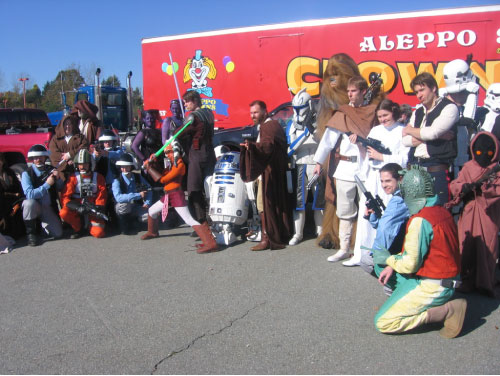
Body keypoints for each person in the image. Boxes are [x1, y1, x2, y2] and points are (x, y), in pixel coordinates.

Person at [373, 166, 466, 339]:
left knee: (383, 322)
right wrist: (390, 265)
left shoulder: (420, 219)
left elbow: (409, 264)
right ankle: (404, 302)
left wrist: (389, 259)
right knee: (382, 269)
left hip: (433, 285)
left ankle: (444, 311)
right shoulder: (441, 211)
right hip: (446, 279)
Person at [313, 76, 377, 265]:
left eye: (354, 91)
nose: (350, 94)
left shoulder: (373, 112)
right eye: (348, 91)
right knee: (345, 210)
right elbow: (328, 141)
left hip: (366, 167)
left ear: (363, 91)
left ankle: (362, 251)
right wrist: (318, 162)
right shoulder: (343, 113)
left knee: (368, 209)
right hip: (346, 168)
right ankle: (343, 248)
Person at [315, 53, 361, 250]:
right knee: (334, 198)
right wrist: (319, 162)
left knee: (359, 201)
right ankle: (333, 235)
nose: (332, 80)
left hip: (358, 161)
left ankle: (358, 240)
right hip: (336, 162)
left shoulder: (362, 103)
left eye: (337, 75)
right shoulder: (330, 106)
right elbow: (327, 139)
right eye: (329, 75)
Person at [141, 140, 218, 253]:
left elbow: (162, 179)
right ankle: (152, 232)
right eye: (166, 152)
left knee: (189, 220)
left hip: (176, 195)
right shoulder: (171, 164)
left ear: (176, 151)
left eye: (169, 152)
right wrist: (153, 163)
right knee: (152, 211)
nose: (167, 155)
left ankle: (210, 243)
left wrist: (149, 168)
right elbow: (162, 173)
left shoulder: (180, 165)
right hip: (168, 195)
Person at [449, 131, 500, 298]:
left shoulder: (496, 169)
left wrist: (486, 189)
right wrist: (462, 187)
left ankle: (486, 282)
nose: (483, 155)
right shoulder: (468, 167)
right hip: (470, 212)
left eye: (488, 152)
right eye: (478, 152)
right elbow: (456, 184)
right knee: (467, 246)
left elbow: (497, 191)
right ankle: (467, 280)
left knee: (488, 248)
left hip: (488, 214)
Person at [240, 100, 292, 250]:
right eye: (251, 113)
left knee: (263, 206)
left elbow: (267, 147)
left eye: (256, 112)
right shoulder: (272, 125)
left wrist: (252, 146)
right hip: (273, 171)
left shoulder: (268, 126)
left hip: (270, 173)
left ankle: (266, 238)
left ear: (265, 111)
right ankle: (272, 235)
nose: (253, 116)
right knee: (271, 206)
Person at [402, 72, 459, 205]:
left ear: (433, 88)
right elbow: (405, 140)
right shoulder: (418, 112)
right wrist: (431, 135)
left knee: (439, 213)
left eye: (422, 90)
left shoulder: (449, 107)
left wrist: (410, 130)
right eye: (416, 92)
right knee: (416, 215)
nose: (419, 95)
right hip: (415, 168)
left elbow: (432, 133)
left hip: (436, 169)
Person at [359, 163, 410, 296]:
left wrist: (378, 255)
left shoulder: (398, 200)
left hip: (402, 252)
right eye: (382, 181)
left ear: (400, 179)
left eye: (388, 181)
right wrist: (373, 215)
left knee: (367, 261)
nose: (384, 185)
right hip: (405, 248)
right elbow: (384, 225)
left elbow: (385, 229)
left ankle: (399, 286)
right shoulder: (403, 194)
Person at [287, 88, 324, 245]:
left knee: (319, 201)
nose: (298, 112)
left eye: (300, 108)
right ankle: (298, 233)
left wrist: (314, 131)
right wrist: (305, 135)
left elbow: (325, 144)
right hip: (301, 164)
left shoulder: (320, 123)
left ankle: (321, 232)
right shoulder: (293, 124)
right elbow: (290, 149)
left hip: (316, 165)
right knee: (300, 201)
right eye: (295, 109)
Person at [178, 90, 216, 225]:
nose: (185, 105)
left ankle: (201, 222)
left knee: (194, 189)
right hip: (210, 153)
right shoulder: (209, 113)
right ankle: (212, 219)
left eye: (187, 102)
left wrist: (176, 130)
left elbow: (178, 133)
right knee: (210, 187)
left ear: (194, 100)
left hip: (198, 154)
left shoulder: (193, 117)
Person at [439, 59, 480, 175]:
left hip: (467, 159)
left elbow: (468, 121)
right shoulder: (442, 102)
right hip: (448, 158)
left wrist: (473, 94)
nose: (459, 96)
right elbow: (466, 121)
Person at [21, 145, 63, 246]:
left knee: (58, 234)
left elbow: (61, 187)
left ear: (45, 157)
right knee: (28, 203)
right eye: (35, 158)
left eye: (40, 157)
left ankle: (42, 226)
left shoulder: (51, 169)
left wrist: (58, 178)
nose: (38, 160)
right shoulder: (26, 173)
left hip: (48, 207)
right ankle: (31, 234)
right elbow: (29, 194)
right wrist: (47, 184)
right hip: (35, 206)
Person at [59, 149, 107, 239]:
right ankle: (78, 228)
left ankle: (90, 226)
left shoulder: (98, 177)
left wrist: (97, 207)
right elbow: (65, 196)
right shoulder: (73, 177)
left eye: (85, 164)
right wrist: (77, 207)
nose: (82, 167)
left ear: (90, 164)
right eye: (80, 164)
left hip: (92, 207)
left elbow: (102, 194)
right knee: (64, 212)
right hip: (78, 206)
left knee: (99, 233)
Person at [111, 153, 152, 235]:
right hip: (121, 207)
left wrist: (147, 202)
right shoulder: (116, 180)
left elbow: (149, 189)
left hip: (136, 206)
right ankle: (124, 225)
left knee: (149, 216)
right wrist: (138, 195)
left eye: (127, 166)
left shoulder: (138, 176)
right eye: (122, 167)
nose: (124, 169)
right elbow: (118, 198)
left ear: (131, 166)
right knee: (124, 205)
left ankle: (135, 221)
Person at [49, 114, 89, 180]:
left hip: (77, 172)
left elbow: (84, 148)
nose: (68, 126)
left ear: (73, 125)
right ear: (62, 125)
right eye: (66, 124)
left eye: (70, 124)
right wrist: (66, 162)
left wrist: (71, 155)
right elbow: (53, 154)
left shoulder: (80, 137)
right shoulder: (55, 139)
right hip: (61, 173)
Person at [0, 152, 25, 240]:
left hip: (15, 200)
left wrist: (19, 196)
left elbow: (18, 187)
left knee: (21, 206)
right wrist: (13, 194)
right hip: (2, 201)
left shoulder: (9, 172)